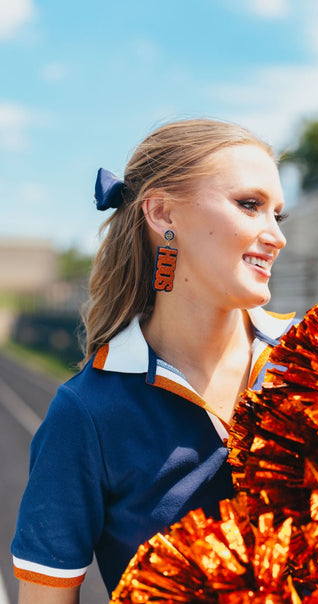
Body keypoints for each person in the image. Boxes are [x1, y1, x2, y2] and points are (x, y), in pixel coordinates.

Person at [11, 118, 297, 603]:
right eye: (250, 205)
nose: (275, 236)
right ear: (163, 212)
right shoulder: (87, 414)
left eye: (277, 215)